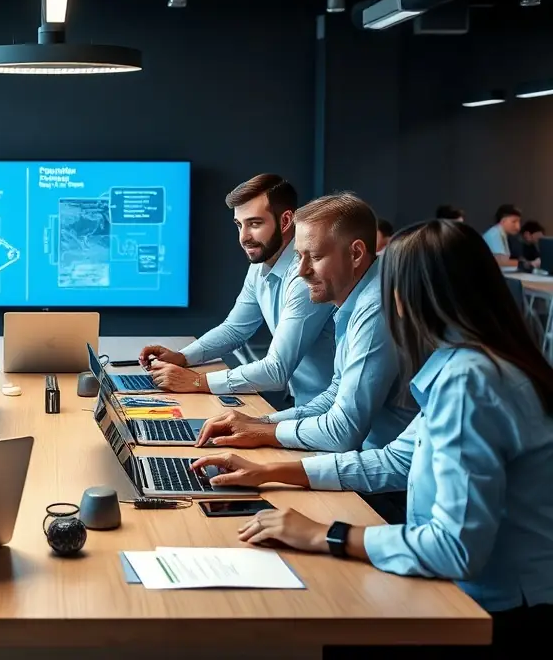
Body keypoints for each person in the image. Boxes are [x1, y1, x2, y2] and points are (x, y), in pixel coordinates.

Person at [192, 219, 553, 656]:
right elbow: (395, 460)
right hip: (475, 598)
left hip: (491, 614)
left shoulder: (469, 381)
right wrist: (271, 471)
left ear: (405, 297)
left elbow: (454, 548)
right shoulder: (474, 365)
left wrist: (324, 535)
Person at [193, 193, 415, 457]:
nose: (301, 271)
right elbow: (335, 393)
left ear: (355, 253)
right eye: (299, 256)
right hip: (367, 461)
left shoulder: (374, 308)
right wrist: (259, 423)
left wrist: (261, 432)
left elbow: (343, 431)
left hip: (390, 484)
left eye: (316, 257)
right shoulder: (353, 301)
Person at [139, 174, 335, 407]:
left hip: (338, 418)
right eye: (239, 225)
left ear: (285, 222)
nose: (244, 237)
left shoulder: (306, 274)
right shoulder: (261, 265)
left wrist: (196, 382)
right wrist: (182, 357)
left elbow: (276, 371)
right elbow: (235, 330)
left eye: (254, 223)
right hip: (307, 407)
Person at [483, 204, 524, 269]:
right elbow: (500, 262)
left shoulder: (501, 234)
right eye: (514, 221)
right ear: (503, 221)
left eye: (519, 222)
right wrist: (525, 264)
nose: (518, 227)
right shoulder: (494, 234)